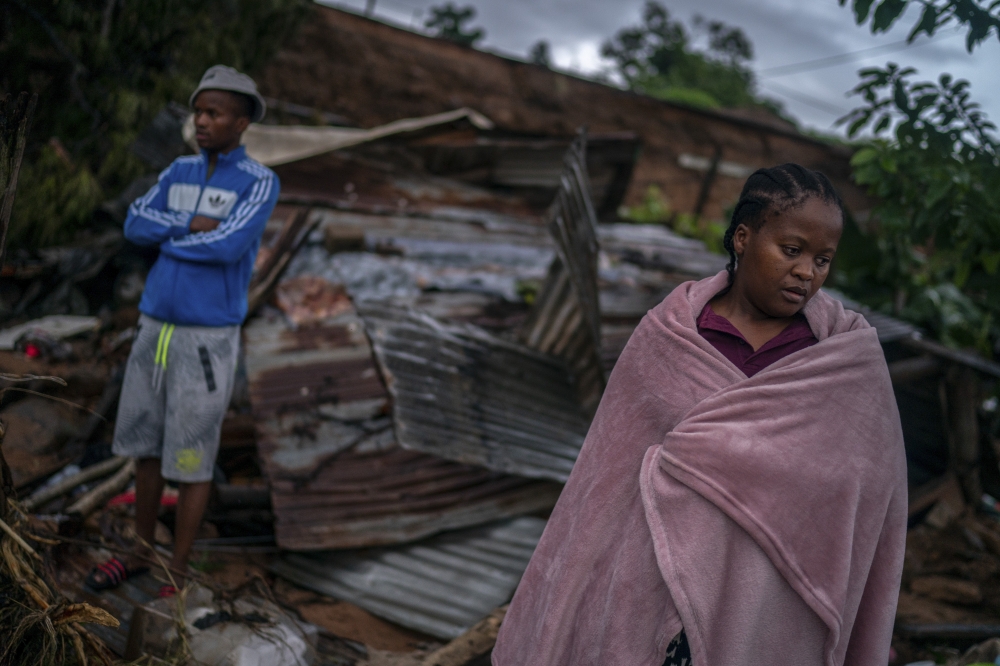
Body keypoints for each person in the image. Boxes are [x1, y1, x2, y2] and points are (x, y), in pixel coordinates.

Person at [492, 164, 907, 666]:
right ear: (743, 238)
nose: (807, 272)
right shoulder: (670, 336)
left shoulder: (844, 363)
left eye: (823, 259)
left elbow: (869, 498)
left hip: (766, 606)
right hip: (647, 589)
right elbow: (603, 484)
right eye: (791, 250)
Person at [86, 66, 278, 597]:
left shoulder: (259, 181)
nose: (202, 121)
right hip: (156, 329)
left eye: (215, 112)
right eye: (199, 110)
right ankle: (140, 552)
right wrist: (184, 227)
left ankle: (178, 567)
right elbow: (133, 224)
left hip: (206, 339)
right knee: (146, 445)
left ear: (241, 121)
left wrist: (168, 236)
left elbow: (228, 247)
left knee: (191, 457)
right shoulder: (176, 171)